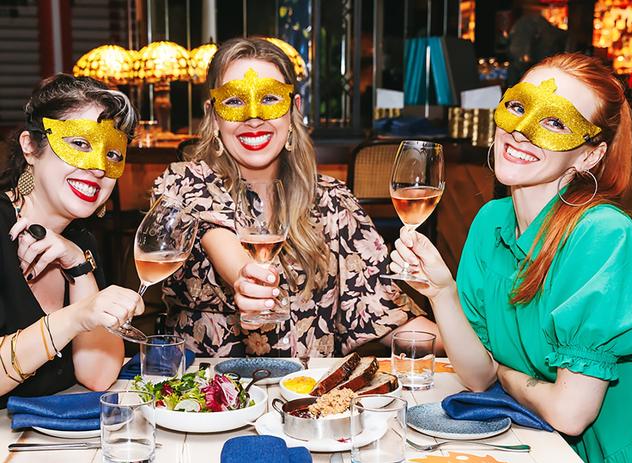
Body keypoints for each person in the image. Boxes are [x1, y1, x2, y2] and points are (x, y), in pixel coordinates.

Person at [391, 53, 632, 463]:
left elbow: (570, 413)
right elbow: (477, 375)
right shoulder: (491, 220)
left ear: (589, 156)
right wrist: (441, 292)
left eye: (555, 122)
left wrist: (510, 378)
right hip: (531, 445)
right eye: (517, 106)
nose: (521, 130)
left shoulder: (604, 236)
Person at [153, 37, 440, 358]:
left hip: (309, 398)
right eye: (233, 101)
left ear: (294, 110)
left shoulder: (333, 200)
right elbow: (228, 251)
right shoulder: (183, 183)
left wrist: (478, 340)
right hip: (210, 400)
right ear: (213, 115)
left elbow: (384, 317)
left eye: (271, 98)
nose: (253, 116)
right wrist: (249, 283)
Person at [0, 74, 145, 407]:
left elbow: (98, 376)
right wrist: (77, 316)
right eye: (79, 143)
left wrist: (79, 268)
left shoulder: (81, 242)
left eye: (112, 154)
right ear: (30, 147)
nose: (98, 168)